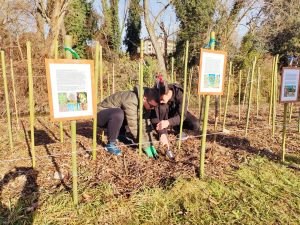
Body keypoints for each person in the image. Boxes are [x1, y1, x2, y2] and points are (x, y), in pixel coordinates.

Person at [97, 86, 160, 157]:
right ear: (144, 98)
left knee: (124, 113)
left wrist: (150, 144)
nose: (152, 108)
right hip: (100, 116)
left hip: (114, 117)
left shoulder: (146, 105)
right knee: (119, 113)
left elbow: (144, 124)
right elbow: (134, 126)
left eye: (154, 107)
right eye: (151, 106)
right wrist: (145, 146)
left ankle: (120, 135)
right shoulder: (131, 100)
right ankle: (110, 144)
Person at [151, 74, 200, 150]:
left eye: (161, 98)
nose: (160, 100)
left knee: (195, 124)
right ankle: (166, 132)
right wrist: (162, 134)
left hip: (177, 115)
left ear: (167, 93)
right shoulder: (158, 96)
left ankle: (178, 129)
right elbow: (155, 117)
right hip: (164, 116)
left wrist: (168, 122)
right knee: (162, 109)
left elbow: (182, 115)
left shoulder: (180, 94)